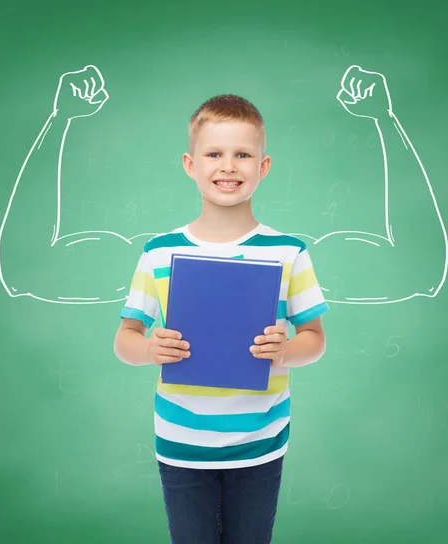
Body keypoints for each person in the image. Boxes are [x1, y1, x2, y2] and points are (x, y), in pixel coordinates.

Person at [113, 94, 329, 544]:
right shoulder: (160, 252)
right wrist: (149, 348)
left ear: (263, 166)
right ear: (191, 164)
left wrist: (287, 351)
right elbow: (125, 338)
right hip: (181, 443)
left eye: (242, 155)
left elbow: (315, 338)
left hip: (261, 442)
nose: (228, 166)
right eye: (214, 154)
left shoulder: (289, 251)